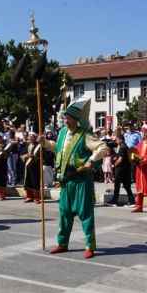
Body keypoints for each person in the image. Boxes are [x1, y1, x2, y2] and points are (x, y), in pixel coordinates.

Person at [41, 99, 109, 259]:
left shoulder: (84, 135)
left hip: (81, 181)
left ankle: (89, 246)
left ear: (75, 119)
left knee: (85, 214)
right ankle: (62, 243)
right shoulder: (63, 133)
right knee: (64, 213)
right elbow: (57, 147)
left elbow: (103, 147)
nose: (65, 120)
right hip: (66, 180)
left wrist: (91, 161)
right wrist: (44, 142)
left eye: (68, 118)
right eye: (64, 118)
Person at [107, 134, 134, 206]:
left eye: (117, 139)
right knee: (126, 185)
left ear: (120, 139)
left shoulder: (122, 147)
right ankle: (131, 200)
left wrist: (114, 165)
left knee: (117, 185)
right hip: (126, 168)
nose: (116, 141)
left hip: (121, 168)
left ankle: (115, 201)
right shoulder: (125, 146)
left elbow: (120, 159)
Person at [22, 133, 42, 204]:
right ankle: (29, 196)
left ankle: (37, 198)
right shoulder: (28, 145)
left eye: (32, 137)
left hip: (35, 166)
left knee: (35, 181)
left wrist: (30, 156)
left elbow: (40, 155)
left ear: (35, 137)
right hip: (28, 165)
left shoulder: (39, 145)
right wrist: (24, 156)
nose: (30, 138)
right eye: (29, 137)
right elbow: (24, 153)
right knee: (28, 180)